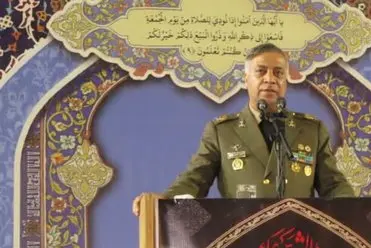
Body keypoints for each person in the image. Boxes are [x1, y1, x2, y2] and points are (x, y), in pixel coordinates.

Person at [132, 43, 354, 216]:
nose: (270, 79)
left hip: (299, 242)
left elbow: (334, 185)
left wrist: (356, 209)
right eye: (261, 72)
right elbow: (195, 179)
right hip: (241, 243)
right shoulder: (222, 131)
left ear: (286, 81)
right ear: (246, 79)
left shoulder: (311, 130)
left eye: (278, 73)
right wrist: (164, 200)